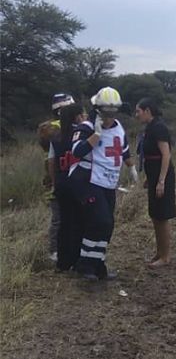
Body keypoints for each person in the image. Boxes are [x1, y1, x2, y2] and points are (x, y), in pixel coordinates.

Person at [68, 87, 138, 281]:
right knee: (100, 221)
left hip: (108, 182)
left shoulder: (118, 127)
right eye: (106, 113)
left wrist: (131, 168)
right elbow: (77, 152)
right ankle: (85, 265)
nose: (109, 117)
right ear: (97, 110)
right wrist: (96, 136)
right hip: (87, 181)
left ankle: (98, 265)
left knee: (108, 225)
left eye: (113, 112)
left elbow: (123, 149)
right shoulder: (86, 127)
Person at [135, 98, 176, 268]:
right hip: (153, 174)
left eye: (138, 111)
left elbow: (166, 155)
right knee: (155, 215)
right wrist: (149, 178)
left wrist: (161, 181)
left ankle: (165, 257)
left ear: (147, 111)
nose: (136, 114)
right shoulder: (150, 127)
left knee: (162, 215)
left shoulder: (159, 127)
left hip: (162, 176)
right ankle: (159, 253)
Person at [39, 93, 76, 262]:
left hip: (65, 177)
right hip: (58, 178)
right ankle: (54, 250)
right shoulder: (53, 129)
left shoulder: (61, 127)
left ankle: (64, 248)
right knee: (59, 218)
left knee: (66, 217)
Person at [50, 102, 85, 273]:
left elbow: (51, 161)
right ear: (77, 116)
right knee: (79, 222)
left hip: (61, 184)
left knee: (64, 223)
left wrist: (54, 183)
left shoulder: (56, 136)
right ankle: (77, 260)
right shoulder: (80, 134)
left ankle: (63, 263)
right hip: (77, 183)